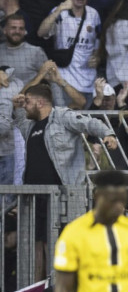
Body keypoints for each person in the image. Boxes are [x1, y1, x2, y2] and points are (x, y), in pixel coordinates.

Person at [12, 83, 117, 280]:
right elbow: (18, 119)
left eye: (28, 102)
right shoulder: (31, 125)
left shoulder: (62, 116)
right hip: (35, 198)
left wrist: (108, 134)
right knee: (37, 246)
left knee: (60, 246)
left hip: (62, 197)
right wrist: (17, 104)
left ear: (40, 102)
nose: (25, 106)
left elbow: (89, 122)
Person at [37, 0, 101, 104]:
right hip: (64, 81)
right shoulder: (61, 13)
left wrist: (97, 57)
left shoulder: (94, 14)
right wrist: (59, 9)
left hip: (88, 81)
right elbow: (41, 32)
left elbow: (98, 42)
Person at [0, 13, 47, 85]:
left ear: (25, 31)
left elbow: (52, 80)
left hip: (28, 95)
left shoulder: (35, 52)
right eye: (13, 28)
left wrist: (57, 97)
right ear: (4, 30)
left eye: (21, 28)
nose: (17, 31)